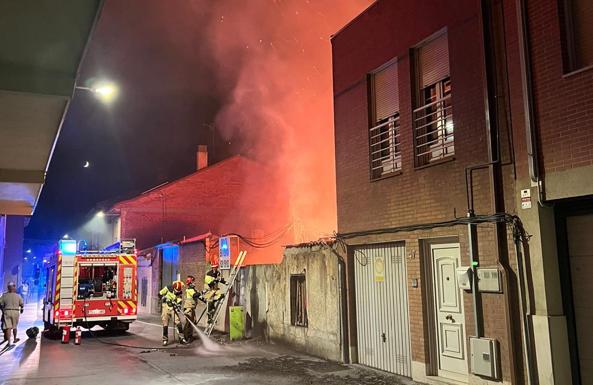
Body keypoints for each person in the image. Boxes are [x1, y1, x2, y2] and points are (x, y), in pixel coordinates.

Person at [158, 280, 185, 346]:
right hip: (166, 307)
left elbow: (179, 300)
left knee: (178, 322)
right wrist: (164, 298)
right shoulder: (168, 288)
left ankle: (181, 338)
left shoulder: (179, 292)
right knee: (165, 323)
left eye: (178, 292)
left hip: (173, 308)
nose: (177, 293)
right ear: (173, 288)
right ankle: (165, 339)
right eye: (176, 291)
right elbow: (159, 294)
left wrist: (178, 305)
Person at [182, 275, 204, 342]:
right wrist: (202, 292)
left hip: (192, 308)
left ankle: (190, 336)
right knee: (188, 323)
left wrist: (205, 300)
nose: (194, 283)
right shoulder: (189, 290)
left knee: (193, 322)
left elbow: (198, 296)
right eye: (193, 282)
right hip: (188, 308)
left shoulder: (193, 289)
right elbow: (195, 295)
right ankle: (185, 337)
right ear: (190, 283)